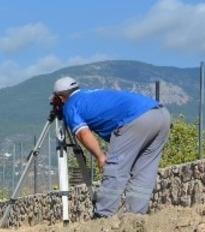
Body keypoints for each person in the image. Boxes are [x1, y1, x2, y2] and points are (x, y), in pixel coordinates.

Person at [53, 76, 172, 217]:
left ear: (60, 98)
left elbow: (83, 134)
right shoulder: (90, 94)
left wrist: (100, 156)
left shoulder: (70, 106)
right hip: (161, 114)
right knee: (144, 171)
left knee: (115, 170)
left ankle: (103, 215)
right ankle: (135, 216)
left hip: (134, 119)